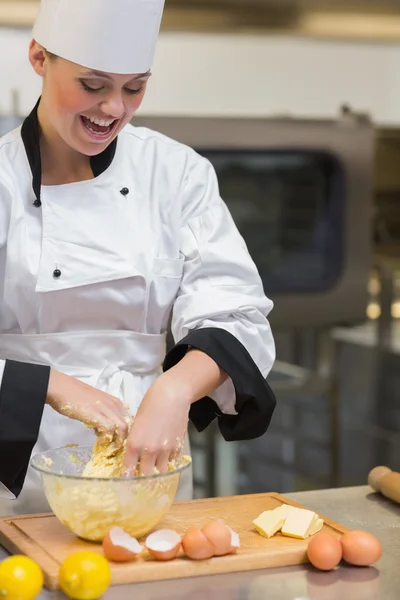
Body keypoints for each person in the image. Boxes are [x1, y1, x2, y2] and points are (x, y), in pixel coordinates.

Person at [0, 0, 276, 515]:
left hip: (148, 464)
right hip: (11, 473)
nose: (113, 110)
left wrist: (173, 391)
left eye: (134, 88)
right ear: (39, 57)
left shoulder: (174, 174)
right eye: (92, 84)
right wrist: (49, 382)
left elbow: (239, 317)